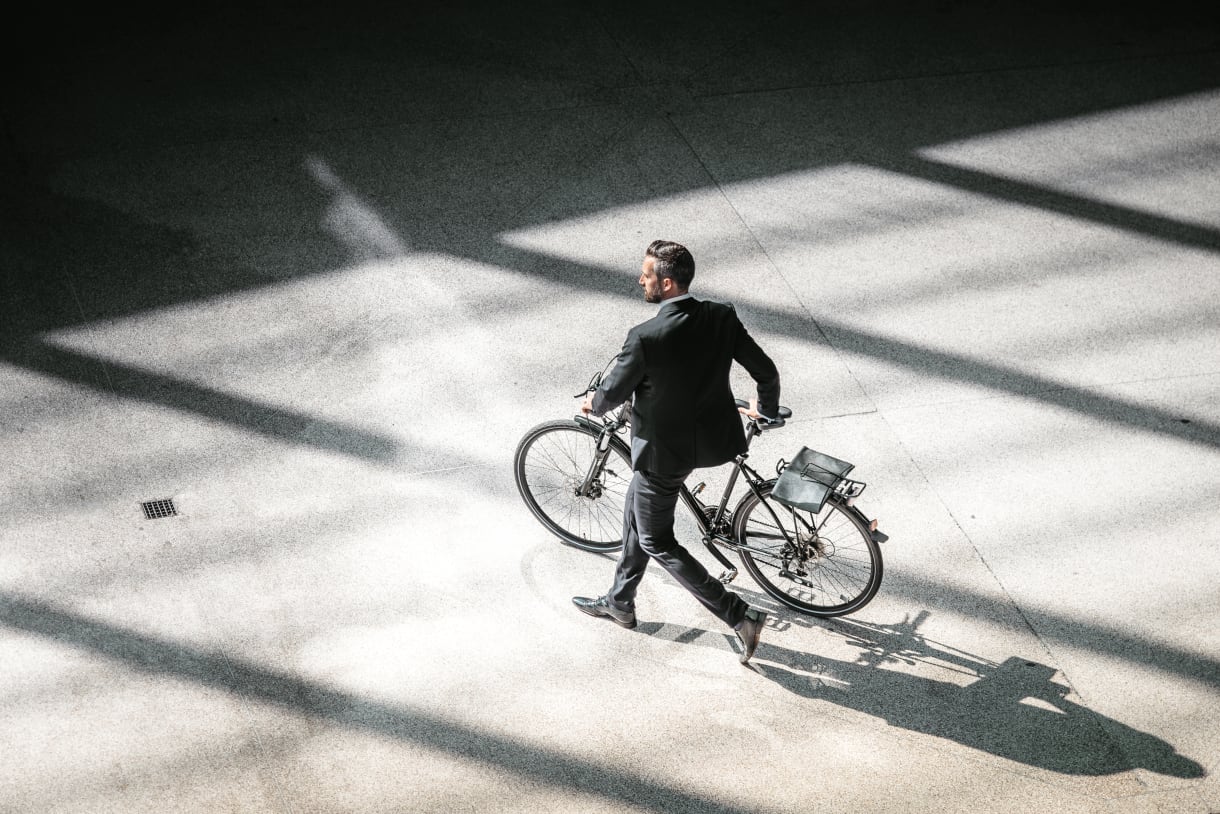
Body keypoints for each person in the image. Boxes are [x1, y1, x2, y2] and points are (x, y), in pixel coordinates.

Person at [573, 240, 781, 664]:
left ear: (665, 283)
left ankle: (739, 615)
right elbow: (766, 370)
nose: (640, 279)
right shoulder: (721, 316)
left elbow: (613, 391)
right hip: (713, 438)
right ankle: (620, 602)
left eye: (646, 274)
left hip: (666, 453)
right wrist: (767, 409)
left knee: (656, 539)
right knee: (636, 507)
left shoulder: (646, 337)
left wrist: (593, 404)